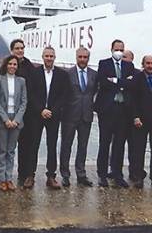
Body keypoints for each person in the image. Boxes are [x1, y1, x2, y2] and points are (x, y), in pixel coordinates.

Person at [22, 46, 68, 189]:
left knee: (52, 145)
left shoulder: (62, 74)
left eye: (51, 56)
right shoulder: (34, 73)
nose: (49, 58)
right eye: (46, 56)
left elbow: (63, 96)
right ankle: (30, 175)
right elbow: (30, 94)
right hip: (36, 115)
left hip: (53, 115)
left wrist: (51, 110)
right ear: (43, 57)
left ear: (54, 57)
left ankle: (51, 176)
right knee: (33, 144)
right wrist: (41, 109)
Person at [95, 39, 137, 188]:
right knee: (104, 143)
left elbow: (132, 84)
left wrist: (115, 80)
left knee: (119, 144)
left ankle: (117, 174)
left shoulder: (129, 65)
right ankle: (102, 174)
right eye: (116, 49)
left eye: (121, 49)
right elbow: (103, 83)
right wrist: (122, 82)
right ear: (111, 49)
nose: (119, 52)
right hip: (107, 109)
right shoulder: (104, 63)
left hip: (123, 109)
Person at [60, 47, 98, 187]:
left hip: (86, 116)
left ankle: (81, 174)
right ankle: (65, 174)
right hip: (69, 116)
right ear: (76, 57)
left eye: (85, 57)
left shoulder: (94, 74)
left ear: (88, 58)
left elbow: (93, 92)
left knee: (83, 146)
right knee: (66, 145)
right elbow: (63, 94)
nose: (82, 59)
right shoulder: (67, 74)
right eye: (80, 57)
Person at [127, 54, 152, 189]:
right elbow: (133, 99)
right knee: (138, 150)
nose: (150, 66)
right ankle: (138, 177)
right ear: (143, 64)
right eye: (148, 63)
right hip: (140, 120)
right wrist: (135, 116)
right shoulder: (137, 78)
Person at [0, 56, 27, 191]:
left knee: (11, 151)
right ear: (6, 65)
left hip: (16, 119)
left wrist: (16, 120)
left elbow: (24, 102)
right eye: (10, 64)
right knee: (2, 150)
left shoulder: (21, 81)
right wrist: (6, 119)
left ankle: (9, 178)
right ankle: (1, 179)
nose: (12, 66)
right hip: (2, 119)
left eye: (15, 64)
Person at [8, 38, 36, 182]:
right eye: (17, 48)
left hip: (27, 112)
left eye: (22, 48)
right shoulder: (8, 65)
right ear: (12, 50)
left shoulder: (30, 66)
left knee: (27, 144)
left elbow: (33, 89)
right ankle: (7, 175)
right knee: (9, 146)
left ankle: (26, 174)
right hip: (10, 112)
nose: (20, 50)